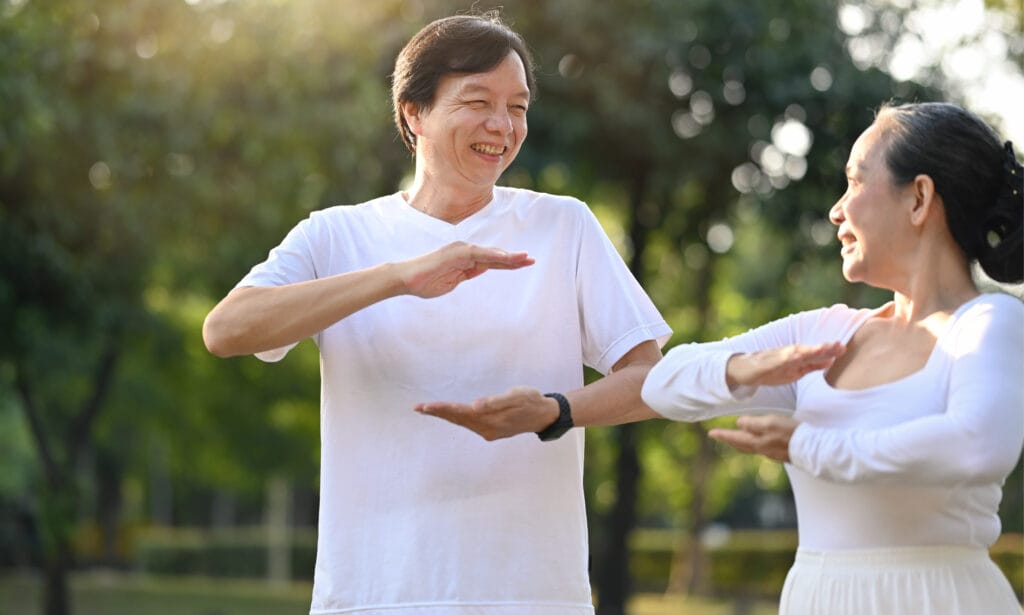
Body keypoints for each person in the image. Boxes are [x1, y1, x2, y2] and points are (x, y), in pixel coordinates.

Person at [418, 102, 1024, 614]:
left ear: (919, 198)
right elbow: (663, 381)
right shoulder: (825, 333)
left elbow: (976, 445)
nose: (837, 209)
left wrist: (808, 445)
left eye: (856, 182)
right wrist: (740, 370)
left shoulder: (989, 324)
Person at [202, 11, 671, 615]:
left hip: (530, 596)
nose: (502, 125)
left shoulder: (564, 226)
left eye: (518, 107)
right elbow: (226, 329)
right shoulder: (337, 235)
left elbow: (650, 380)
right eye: (478, 102)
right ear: (413, 113)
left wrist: (555, 411)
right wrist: (398, 278)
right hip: (374, 596)